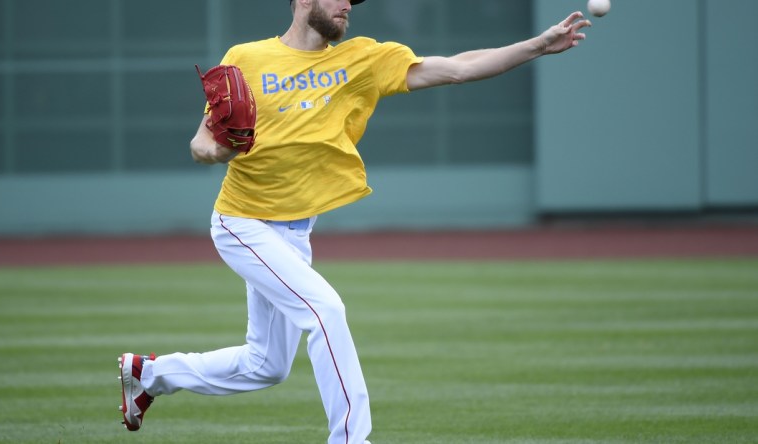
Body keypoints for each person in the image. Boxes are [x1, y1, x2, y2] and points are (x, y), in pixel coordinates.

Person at [118, 1, 591, 443]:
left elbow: (459, 67)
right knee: (326, 311)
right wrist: (216, 150)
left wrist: (535, 47)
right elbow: (201, 142)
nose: (348, 5)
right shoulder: (246, 57)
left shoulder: (362, 59)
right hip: (243, 224)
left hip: (295, 232)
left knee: (266, 366)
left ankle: (149, 375)